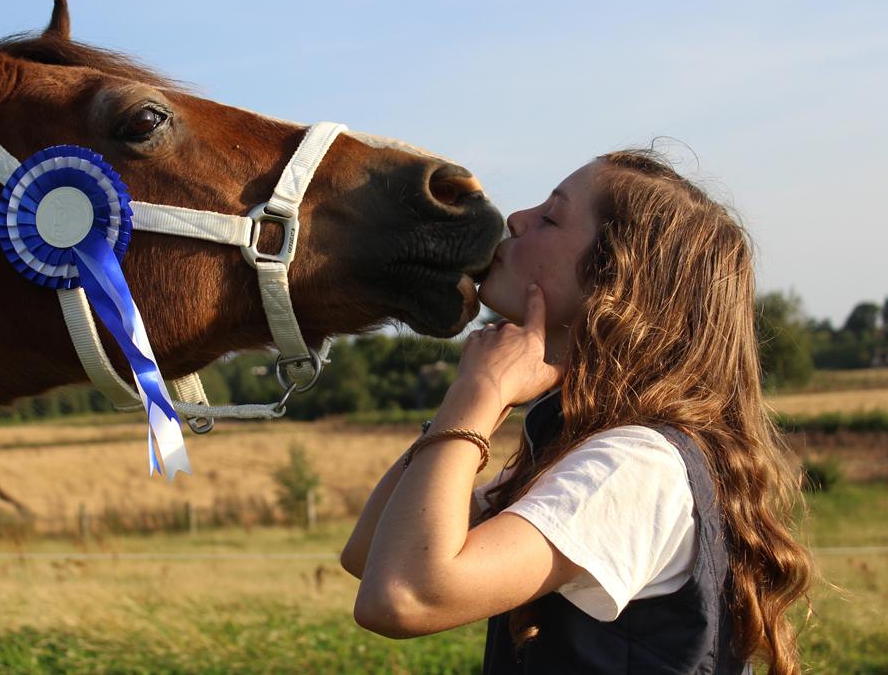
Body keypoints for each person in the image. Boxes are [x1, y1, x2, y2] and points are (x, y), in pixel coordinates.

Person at [340, 151, 812, 674]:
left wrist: (478, 397)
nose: (515, 219)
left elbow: (402, 595)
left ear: (613, 281)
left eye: (550, 217)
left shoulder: (633, 466)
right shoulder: (583, 448)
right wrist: (480, 401)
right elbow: (369, 551)